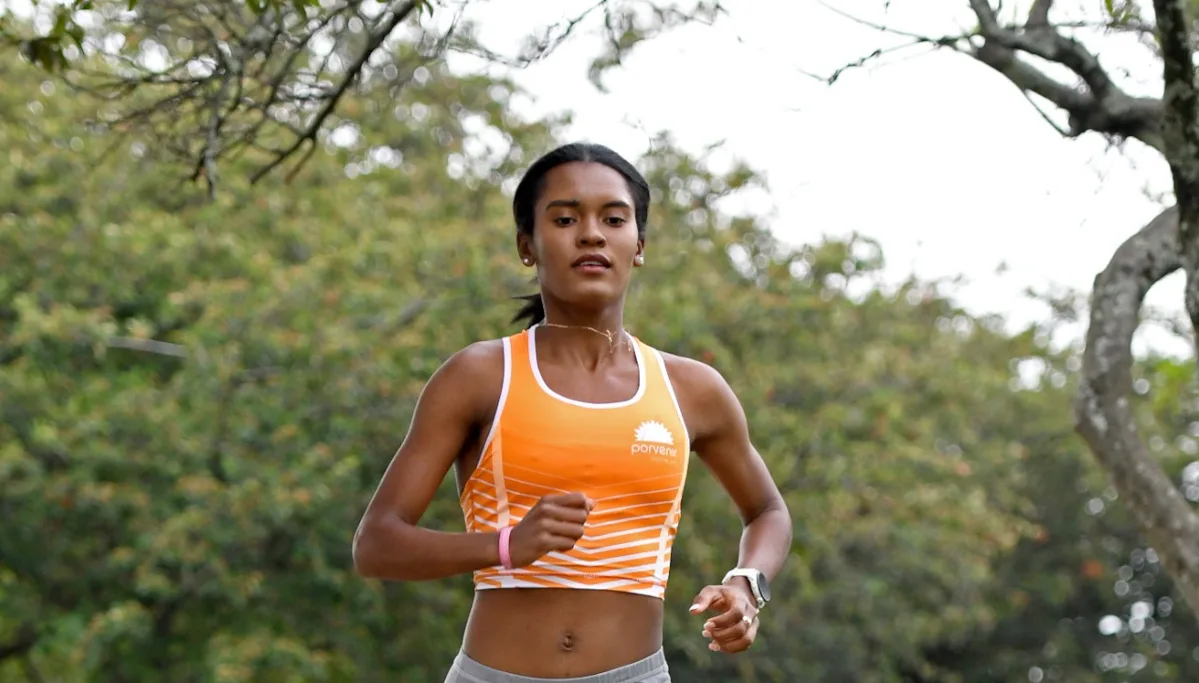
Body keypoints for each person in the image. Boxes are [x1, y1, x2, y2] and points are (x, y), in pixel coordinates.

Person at [352, 142, 792, 683]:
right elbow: (376, 545)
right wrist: (506, 545)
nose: (591, 234)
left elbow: (768, 510)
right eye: (564, 219)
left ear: (639, 245)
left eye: (614, 219)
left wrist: (747, 583)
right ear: (527, 245)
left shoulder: (691, 389)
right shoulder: (480, 375)